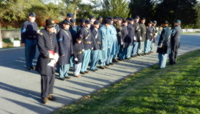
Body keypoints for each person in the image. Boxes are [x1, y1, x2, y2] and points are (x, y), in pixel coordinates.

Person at [36, 19, 59, 104]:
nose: (54, 29)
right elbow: (40, 46)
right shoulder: (41, 33)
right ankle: (44, 96)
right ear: (47, 27)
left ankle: (49, 93)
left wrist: (57, 53)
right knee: (45, 77)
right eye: (52, 27)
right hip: (45, 58)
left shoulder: (53, 33)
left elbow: (56, 44)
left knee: (52, 76)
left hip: (53, 57)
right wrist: (47, 54)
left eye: (54, 27)